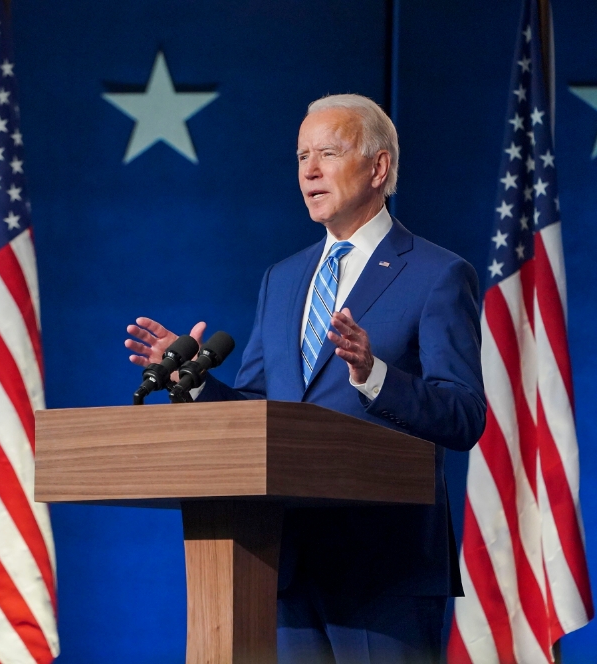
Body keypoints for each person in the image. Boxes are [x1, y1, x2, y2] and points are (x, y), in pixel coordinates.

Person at [125, 94, 486, 663]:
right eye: (301, 157)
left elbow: (464, 415)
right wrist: (190, 380)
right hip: (284, 557)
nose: (310, 171)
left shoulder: (438, 274)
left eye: (328, 153)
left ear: (378, 167)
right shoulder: (284, 278)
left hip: (383, 567)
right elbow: (257, 407)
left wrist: (375, 375)